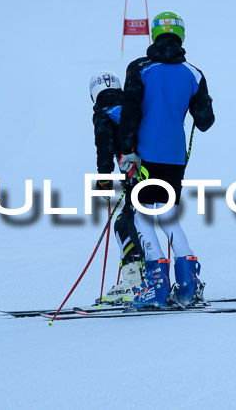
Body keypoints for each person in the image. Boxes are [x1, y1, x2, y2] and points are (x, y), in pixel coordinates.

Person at [118, 11, 215, 308]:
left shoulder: (140, 68)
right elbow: (205, 121)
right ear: (181, 36)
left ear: (154, 35)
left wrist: (127, 150)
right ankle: (187, 281)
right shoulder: (194, 73)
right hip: (174, 157)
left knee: (143, 214)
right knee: (166, 215)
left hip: (144, 155)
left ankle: (157, 284)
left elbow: (130, 112)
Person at [89, 70, 144, 305]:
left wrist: (103, 181)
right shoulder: (132, 105)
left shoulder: (104, 113)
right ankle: (151, 277)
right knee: (143, 222)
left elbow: (105, 147)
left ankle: (133, 281)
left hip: (135, 173)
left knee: (124, 223)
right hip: (157, 166)